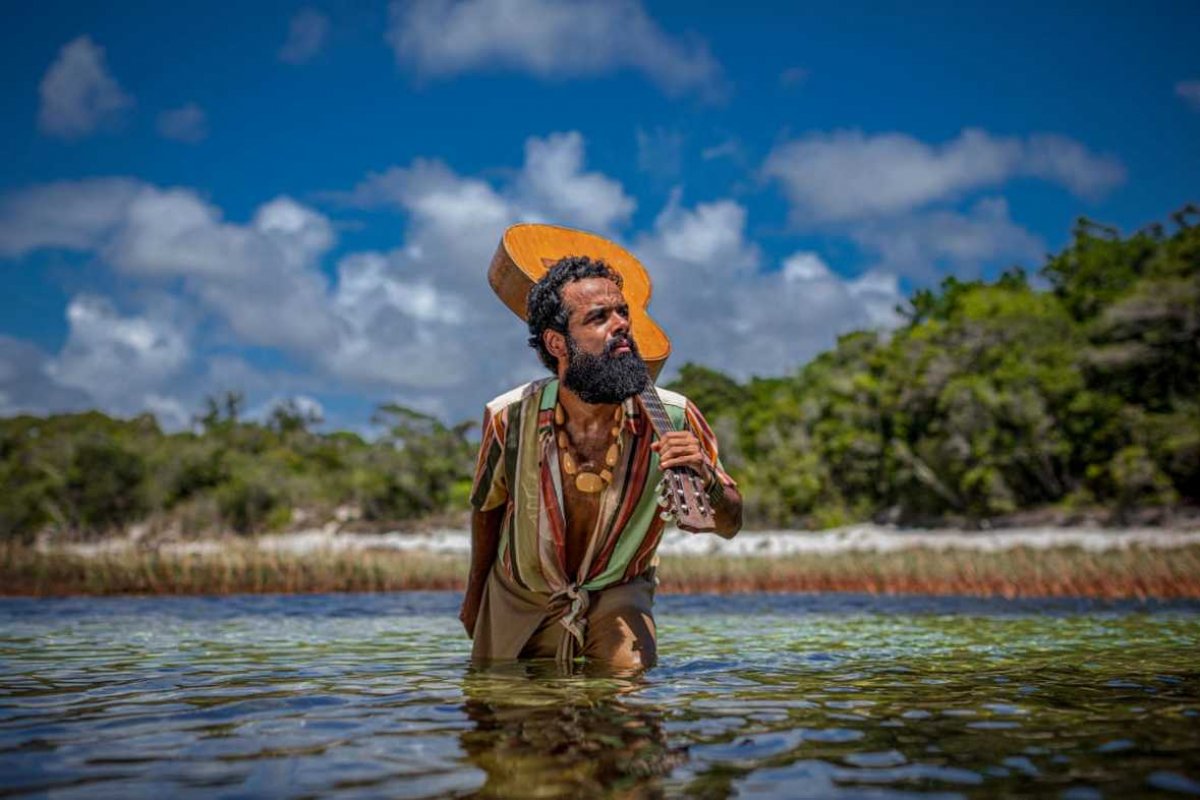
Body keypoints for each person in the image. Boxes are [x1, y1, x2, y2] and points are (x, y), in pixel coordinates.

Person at [459, 255, 743, 669]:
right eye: (599, 317)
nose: (621, 324)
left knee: (628, 699)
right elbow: (488, 507)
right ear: (557, 343)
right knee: (498, 704)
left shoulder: (674, 416)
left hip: (619, 589)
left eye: (623, 312)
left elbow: (731, 525)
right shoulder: (509, 416)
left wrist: (706, 476)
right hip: (520, 594)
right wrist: (474, 598)